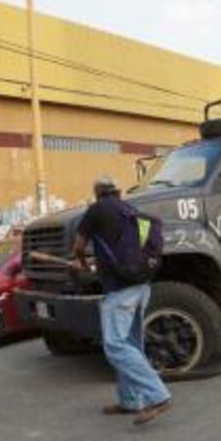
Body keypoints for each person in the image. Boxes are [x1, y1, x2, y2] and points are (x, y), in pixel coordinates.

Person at [72, 175, 172, 426]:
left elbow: (78, 245)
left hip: (121, 291)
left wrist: (82, 264)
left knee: (115, 346)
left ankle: (158, 395)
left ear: (97, 191)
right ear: (116, 191)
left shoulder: (96, 210)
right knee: (131, 344)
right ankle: (130, 400)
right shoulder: (129, 209)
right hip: (141, 286)